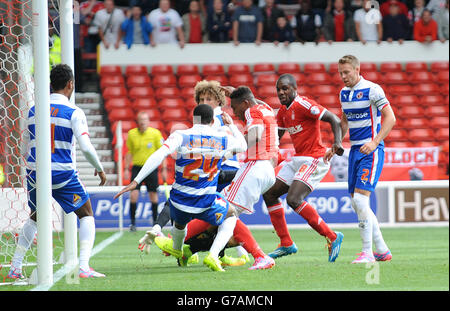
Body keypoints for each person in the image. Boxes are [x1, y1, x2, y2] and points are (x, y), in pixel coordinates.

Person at [115, 104, 247, 272]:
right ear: (213, 120)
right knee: (231, 214)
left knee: (179, 223)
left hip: (179, 202)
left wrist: (136, 181)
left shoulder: (181, 135)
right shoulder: (222, 139)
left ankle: (177, 248)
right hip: (205, 201)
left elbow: (158, 155)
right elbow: (243, 145)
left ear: (194, 119)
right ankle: (213, 255)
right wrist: (231, 125)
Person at [8, 64, 107, 279]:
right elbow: (86, 147)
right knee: (87, 214)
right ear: (70, 84)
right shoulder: (73, 112)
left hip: (35, 173)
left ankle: (15, 267)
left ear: (51, 84)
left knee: (34, 217)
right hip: (62, 174)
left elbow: (24, 147)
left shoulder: (34, 110)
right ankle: (83, 267)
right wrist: (99, 169)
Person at [262, 74, 344, 262]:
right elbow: (277, 139)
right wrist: (269, 156)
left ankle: (332, 236)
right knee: (269, 193)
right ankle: (286, 243)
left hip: (314, 158)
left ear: (294, 89)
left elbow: (333, 119)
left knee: (293, 199)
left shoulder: (304, 104)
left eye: (285, 88)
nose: (281, 92)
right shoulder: (282, 112)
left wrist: (337, 142)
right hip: (298, 159)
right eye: (278, 90)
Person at [337, 54, 396, 263]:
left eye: (347, 72)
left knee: (361, 200)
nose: (343, 77)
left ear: (357, 69)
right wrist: (336, 142)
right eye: (340, 73)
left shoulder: (373, 89)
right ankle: (381, 249)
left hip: (371, 150)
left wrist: (374, 141)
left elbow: (391, 118)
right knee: (356, 202)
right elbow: (344, 120)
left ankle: (367, 252)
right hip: (354, 151)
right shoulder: (343, 93)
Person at [125, 111, 165, 231]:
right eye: (141, 120)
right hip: (137, 168)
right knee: (133, 195)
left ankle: (155, 223)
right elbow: (129, 152)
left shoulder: (155, 134)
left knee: (153, 196)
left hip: (151, 169)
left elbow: (162, 153)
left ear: (148, 121)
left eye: (145, 119)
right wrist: (126, 168)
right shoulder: (132, 134)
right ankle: (132, 224)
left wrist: (163, 169)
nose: (143, 122)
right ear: (137, 121)